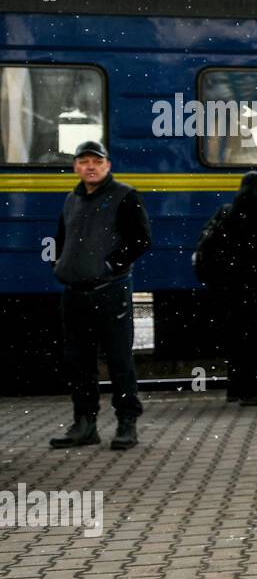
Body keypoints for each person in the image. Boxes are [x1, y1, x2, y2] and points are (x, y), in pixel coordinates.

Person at [49, 140, 152, 451]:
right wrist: (60, 265)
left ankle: (126, 423)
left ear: (108, 166)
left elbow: (140, 240)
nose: (90, 167)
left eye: (96, 161)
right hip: (74, 293)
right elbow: (61, 238)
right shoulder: (72, 200)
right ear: (76, 167)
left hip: (111, 291)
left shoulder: (125, 196)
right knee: (78, 362)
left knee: (119, 359)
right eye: (84, 161)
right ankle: (84, 424)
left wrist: (110, 265)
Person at [197, 170, 257, 405]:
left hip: (228, 290)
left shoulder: (225, 213)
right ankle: (250, 390)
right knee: (254, 341)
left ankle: (235, 388)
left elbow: (208, 246)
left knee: (235, 340)